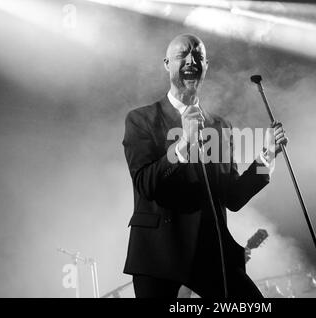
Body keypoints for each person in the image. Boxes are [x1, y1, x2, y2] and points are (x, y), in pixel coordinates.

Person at [122, 34, 287, 298]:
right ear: (167, 64)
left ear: (206, 65)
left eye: (197, 55)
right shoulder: (142, 119)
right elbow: (145, 183)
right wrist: (183, 144)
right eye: (182, 55)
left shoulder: (220, 126)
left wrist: (266, 156)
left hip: (211, 251)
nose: (191, 61)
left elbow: (232, 196)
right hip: (159, 253)